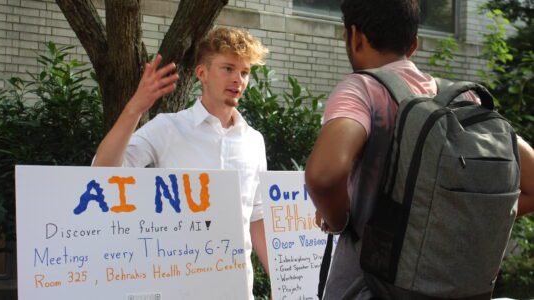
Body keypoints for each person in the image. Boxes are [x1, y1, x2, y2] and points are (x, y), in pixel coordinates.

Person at [304, 0, 534, 299]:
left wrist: (338, 221)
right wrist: (457, 217)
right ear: (413, 45)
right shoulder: (462, 99)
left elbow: (324, 175)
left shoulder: (362, 89)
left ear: (354, 35)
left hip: (368, 286)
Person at [92, 27, 270, 299]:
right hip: (177, 286)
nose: (238, 79)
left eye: (244, 72)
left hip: (237, 288)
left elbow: (257, 216)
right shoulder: (168, 128)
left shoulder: (254, 140)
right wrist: (135, 108)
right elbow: (102, 171)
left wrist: (282, 279)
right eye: (228, 68)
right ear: (202, 73)